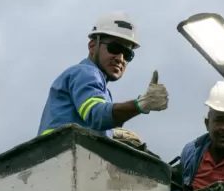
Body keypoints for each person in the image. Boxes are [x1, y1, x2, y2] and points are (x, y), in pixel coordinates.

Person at [37, 11, 168, 144]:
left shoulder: (95, 84)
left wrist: (111, 134)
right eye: (115, 48)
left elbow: (91, 122)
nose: (120, 59)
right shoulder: (85, 73)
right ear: (92, 46)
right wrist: (140, 104)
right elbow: (96, 115)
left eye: (127, 54)